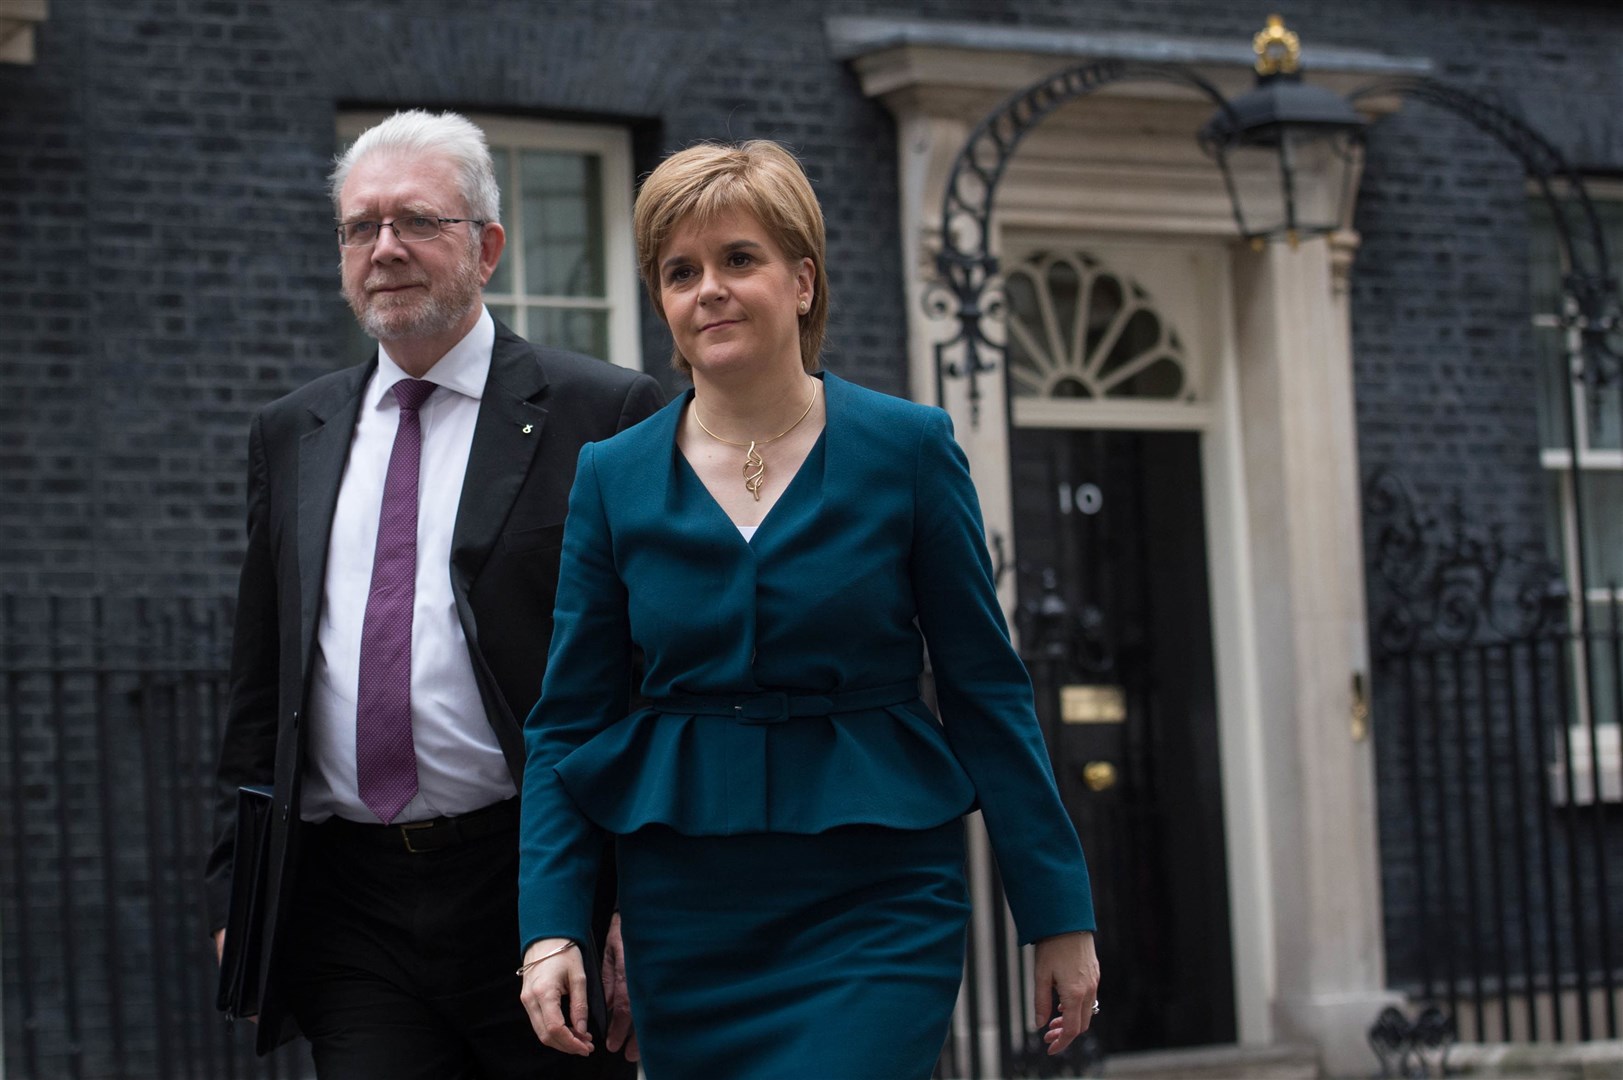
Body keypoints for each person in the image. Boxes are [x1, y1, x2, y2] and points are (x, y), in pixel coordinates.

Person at [516, 139, 1100, 1080]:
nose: (708, 288)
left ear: (801, 281)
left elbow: (986, 689)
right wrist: (550, 927)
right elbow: (569, 721)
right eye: (679, 271)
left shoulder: (907, 449)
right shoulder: (612, 478)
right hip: (687, 906)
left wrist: (1057, 913)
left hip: (877, 897)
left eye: (737, 259)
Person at [203, 109, 663, 1079]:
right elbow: (260, 679)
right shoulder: (293, 431)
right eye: (360, 226)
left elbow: (650, 676)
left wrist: (630, 901)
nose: (385, 248)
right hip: (349, 901)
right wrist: (235, 897)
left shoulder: (605, 414)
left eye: (416, 221)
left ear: (488, 246)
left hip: (535, 882)